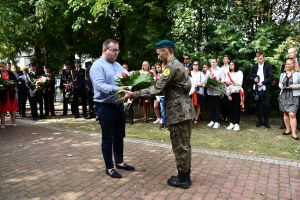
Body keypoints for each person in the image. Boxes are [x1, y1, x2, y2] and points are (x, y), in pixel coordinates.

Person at [123, 39, 194, 189]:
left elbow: (157, 88)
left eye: (159, 53)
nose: (158, 56)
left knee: (180, 145)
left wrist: (133, 94)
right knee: (184, 144)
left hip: (178, 112)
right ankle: (184, 175)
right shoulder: (179, 65)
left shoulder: (171, 67)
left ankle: (183, 179)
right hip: (184, 110)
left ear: (166, 51)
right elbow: (187, 86)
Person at [89, 39, 135, 179]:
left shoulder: (118, 65)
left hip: (118, 104)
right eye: (114, 50)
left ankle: (119, 162)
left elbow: (126, 80)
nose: (117, 53)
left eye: (118, 50)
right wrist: (119, 89)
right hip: (104, 106)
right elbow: (100, 86)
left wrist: (132, 85)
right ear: (105, 50)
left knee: (120, 135)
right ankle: (109, 167)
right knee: (108, 137)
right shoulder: (97, 66)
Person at [247, 52, 273, 128]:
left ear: (264, 58)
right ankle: (259, 121)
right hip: (257, 89)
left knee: (266, 105)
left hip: (265, 88)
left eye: (261, 58)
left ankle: (266, 122)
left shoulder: (268, 66)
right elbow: (249, 77)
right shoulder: (254, 67)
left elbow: (270, 77)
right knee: (258, 106)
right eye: (258, 59)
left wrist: (263, 82)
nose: (259, 60)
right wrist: (254, 79)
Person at [278, 58, 300, 140]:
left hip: (294, 95)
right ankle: (288, 130)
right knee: (286, 113)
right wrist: (281, 86)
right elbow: (280, 84)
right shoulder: (282, 74)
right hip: (283, 95)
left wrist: (293, 86)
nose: (287, 65)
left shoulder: (298, 74)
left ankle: (294, 133)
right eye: (286, 64)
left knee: (292, 114)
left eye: (289, 64)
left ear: (293, 65)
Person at [224, 60, 243, 131]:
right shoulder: (228, 73)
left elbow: (239, 84)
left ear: (236, 65)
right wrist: (228, 92)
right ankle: (231, 123)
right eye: (230, 65)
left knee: (236, 109)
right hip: (229, 94)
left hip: (236, 93)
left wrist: (232, 91)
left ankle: (237, 124)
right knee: (230, 109)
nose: (231, 66)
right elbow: (226, 84)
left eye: (232, 64)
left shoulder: (239, 73)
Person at [0, 61, 18, 128]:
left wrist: (12, 83)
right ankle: (2, 124)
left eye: (4, 66)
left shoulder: (11, 73)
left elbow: (16, 82)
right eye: (1, 66)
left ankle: (13, 122)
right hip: (2, 94)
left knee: (13, 109)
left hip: (11, 93)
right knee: (2, 109)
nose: (3, 67)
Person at [206, 57, 222, 129]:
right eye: (211, 62)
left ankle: (217, 121)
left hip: (217, 91)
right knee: (211, 106)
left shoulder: (220, 70)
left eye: (214, 62)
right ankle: (212, 120)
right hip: (210, 91)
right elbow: (206, 80)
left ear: (216, 62)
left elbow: (223, 80)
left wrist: (217, 81)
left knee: (217, 107)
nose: (212, 63)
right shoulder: (208, 71)